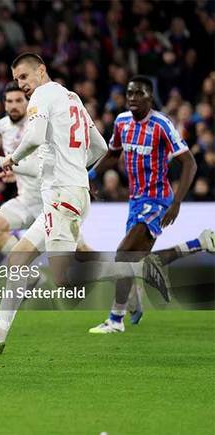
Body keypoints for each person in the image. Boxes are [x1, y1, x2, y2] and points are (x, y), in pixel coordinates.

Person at [0, 53, 169, 354]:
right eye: (17, 80)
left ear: (41, 71)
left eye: (25, 77)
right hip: (65, 195)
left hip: (62, 198)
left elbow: (34, 137)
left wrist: (10, 159)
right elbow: (99, 147)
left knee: (63, 281)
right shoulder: (71, 98)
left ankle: (134, 272)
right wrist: (77, 172)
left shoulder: (42, 95)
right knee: (18, 260)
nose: (22, 84)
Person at [87, 76, 209, 333]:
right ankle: (199, 243)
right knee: (138, 261)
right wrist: (92, 176)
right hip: (135, 200)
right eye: (129, 93)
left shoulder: (162, 124)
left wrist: (176, 202)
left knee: (123, 254)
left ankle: (115, 320)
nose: (132, 98)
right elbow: (113, 153)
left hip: (158, 199)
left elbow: (189, 162)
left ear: (149, 98)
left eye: (138, 93)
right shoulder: (121, 122)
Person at [0, 82, 41, 253]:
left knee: (76, 256)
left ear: (28, 102)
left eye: (19, 100)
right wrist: (14, 174)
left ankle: (117, 271)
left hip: (50, 200)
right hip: (26, 200)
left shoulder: (37, 126)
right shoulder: (3, 126)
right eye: (9, 101)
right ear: (4, 104)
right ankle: (32, 278)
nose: (14, 106)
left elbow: (38, 168)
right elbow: (23, 164)